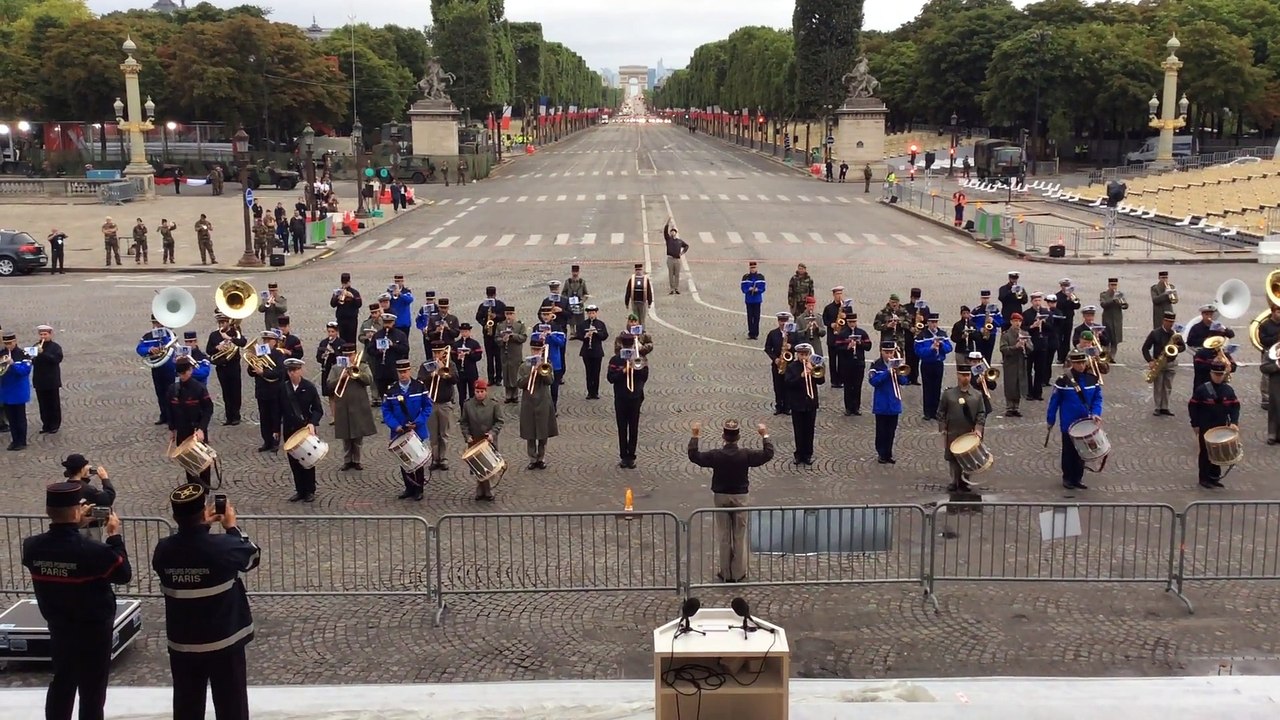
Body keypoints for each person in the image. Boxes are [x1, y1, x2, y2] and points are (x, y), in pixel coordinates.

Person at [22, 482, 131, 720]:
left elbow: (60, 552)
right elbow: (123, 574)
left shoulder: (31, 547)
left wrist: (73, 525)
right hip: (94, 628)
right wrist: (114, 536)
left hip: (59, 626)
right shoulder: (94, 551)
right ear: (75, 511)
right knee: (92, 690)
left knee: (62, 682)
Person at [152, 484, 260, 720]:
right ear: (204, 513)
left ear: (174, 517)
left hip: (184, 643)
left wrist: (200, 527)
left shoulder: (164, 550)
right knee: (232, 707)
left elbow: (187, 552)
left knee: (187, 707)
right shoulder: (222, 547)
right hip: (224, 640)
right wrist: (231, 527)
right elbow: (251, 556)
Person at [687, 420, 773, 583]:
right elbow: (767, 454)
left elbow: (695, 456)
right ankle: (738, 572)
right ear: (738, 437)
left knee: (724, 535)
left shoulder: (716, 455)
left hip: (721, 497)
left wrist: (695, 435)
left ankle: (725, 572)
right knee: (739, 536)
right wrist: (765, 435)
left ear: (723, 436)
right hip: (740, 497)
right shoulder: (746, 455)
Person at [1047, 349, 1103, 490]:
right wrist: (1051, 419)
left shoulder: (1092, 379)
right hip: (1069, 423)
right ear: (1072, 363)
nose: (1081, 365)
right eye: (1078, 363)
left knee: (1082, 452)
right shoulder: (1063, 380)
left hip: (1086, 422)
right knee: (1069, 451)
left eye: (1083, 362)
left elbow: (1097, 398)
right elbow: (1054, 401)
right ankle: (1067, 477)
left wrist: (1096, 413)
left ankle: (1078, 478)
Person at [382, 358, 432, 501]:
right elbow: (386, 411)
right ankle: (409, 487)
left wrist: (418, 422)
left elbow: (427, 407)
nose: (403, 375)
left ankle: (419, 488)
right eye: (400, 372)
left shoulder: (419, 387)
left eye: (405, 372)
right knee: (404, 461)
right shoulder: (391, 390)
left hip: (416, 430)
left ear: (409, 371)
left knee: (418, 460)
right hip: (399, 431)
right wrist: (396, 426)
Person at [1189, 360, 1241, 489]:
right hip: (1205, 425)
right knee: (1205, 452)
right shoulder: (1202, 390)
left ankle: (1214, 476)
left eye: (1220, 374)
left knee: (1217, 452)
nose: (1218, 377)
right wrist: (1195, 424)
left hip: (1221, 425)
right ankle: (1204, 478)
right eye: (1215, 374)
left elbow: (1235, 406)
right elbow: (1193, 406)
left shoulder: (1228, 390)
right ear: (1211, 373)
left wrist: (1234, 422)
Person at [279, 358, 324, 502]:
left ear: (300, 370)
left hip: (305, 429)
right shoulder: (283, 388)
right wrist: (275, 429)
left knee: (307, 459)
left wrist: (312, 423)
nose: (293, 373)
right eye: (290, 371)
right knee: (294, 461)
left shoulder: (309, 387)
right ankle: (300, 489)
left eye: (295, 370)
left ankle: (310, 490)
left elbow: (318, 409)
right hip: (290, 429)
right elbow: (277, 410)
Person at [327, 343, 376, 471]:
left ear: (355, 354)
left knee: (358, 434)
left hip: (359, 403)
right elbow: (329, 385)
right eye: (346, 355)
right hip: (343, 404)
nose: (349, 358)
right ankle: (347, 460)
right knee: (345, 435)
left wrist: (357, 373)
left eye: (351, 355)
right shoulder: (336, 368)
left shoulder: (362, 365)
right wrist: (340, 378)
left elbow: (369, 380)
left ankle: (357, 460)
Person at [938, 366, 987, 493]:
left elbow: (981, 413)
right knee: (953, 457)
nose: (966, 378)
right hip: (953, 430)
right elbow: (941, 412)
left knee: (968, 457)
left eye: (968, 375)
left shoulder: (977, 395)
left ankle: (965, 480)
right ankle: (954, 480)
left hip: (969, 431)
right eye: (963, 375)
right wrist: (943, 428)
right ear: (958, 376)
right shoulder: (948, 394)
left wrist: (978, 429)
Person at [167, 355, 215, 487]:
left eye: (184, 373)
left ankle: (205, 490)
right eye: (180, 373)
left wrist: (201, 428)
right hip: (182, 431)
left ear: (190, 370)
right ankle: (194, 490)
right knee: (188, 463)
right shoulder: (173, 389)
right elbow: (170, 410)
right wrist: (172, 429)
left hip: (196, 430)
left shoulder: (199, 388)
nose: (182, 376)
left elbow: (208, 409)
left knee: (203, 462)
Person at [606, 334, 649, 469]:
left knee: (634, 428)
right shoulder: (615, 359)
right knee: (622, 428)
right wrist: (624, 370)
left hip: (635, 397)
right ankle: (623, 455)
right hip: (620, 397)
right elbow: (610, 378)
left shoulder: (639, 359)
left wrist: (635, 368)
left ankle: (631, 456)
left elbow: (644, 377)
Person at [460, 379, 504, 501]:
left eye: (482, 391)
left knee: (488, 465)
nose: (479, 394)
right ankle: (480, 489)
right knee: (477, 467)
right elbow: (464, 422)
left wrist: (492, 434)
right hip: (474, 440)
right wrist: (467, 436)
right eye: (477, 391)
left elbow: (499, 421)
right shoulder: (468, 405)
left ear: (486, 391)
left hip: (488, 440)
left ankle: (488, 490)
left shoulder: (493, 405)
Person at [518, 335, 558, 469]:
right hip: (528, 401)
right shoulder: (524, 366)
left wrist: (542, 372)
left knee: (543, 432)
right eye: (534, 350)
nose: (536, 352)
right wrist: (531, 373)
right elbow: (520, 383)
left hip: (543, 401)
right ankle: (532, 458)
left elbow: (550, 382)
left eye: (538, 350)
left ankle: (541, 457)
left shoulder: (547, 364)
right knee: (530, 432)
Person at [868, 341, 909, 464]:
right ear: (881, 352)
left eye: (891, 352)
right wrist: (887, 372)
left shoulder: (898, 364)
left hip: (894, 403)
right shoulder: (876, 365)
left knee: (891, 431)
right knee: (881, 430)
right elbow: (874, 381)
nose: (889, 355)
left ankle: (888, 453)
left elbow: (904, 381)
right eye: (886, 352)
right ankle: (881, 453)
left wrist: (898, 373)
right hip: (881, 403)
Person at [783, 343, 824, 464]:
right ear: (797, 355)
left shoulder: (814, 365)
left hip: (810, 403)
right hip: (797, 403)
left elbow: (821, 380)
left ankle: (808, 454)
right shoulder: (792, 367)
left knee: (809, 430)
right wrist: (801, 376)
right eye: (801, 355)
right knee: (799, 430)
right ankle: (798, 454)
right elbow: (788, 383)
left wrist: (813, 371)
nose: (804, 357)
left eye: (806, 354)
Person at [420, 342, 457, 472]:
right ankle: (435, 459)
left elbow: (455, 380)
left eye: (439, 352)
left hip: (445, 404)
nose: (437, 355)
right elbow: (420, 380)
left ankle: (444, 458)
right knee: (433, 434)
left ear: (443, 352)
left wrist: (445, 373)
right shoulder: (427, 365)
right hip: (430, 403)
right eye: (434, 352)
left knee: (444, 433)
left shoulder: (450, 364)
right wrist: (430, 376)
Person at [246, 330, 284, 452]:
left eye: (269, 340)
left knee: (275, 417)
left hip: (274, 391)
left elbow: (279, 372)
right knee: (264, 417)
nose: (266, 343)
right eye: (265, 340)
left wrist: (264, 372)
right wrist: (253, 369)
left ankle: (275, 441)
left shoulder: (278, 355)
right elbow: (250, 372)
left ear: (275, 342)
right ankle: (266, 441)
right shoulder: (258, 354)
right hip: (262, 391)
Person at [1142, 311, 1185, 417]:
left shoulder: (1175, 335)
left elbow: (1183, 347)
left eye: (1172, 322)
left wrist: (1178, 348)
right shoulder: (1155, 333)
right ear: (1164, 321)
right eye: (1168, 321)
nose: (1170, 324)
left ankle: (1165, 407)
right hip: (1159, 361)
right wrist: (1150, 361)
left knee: (1168, 386)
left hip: (1171, 363)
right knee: (1158, 386)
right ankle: (1157, 407)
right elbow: (1145, 348)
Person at [206, 313, 246, 426]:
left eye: (223, 322)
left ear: (228, 322)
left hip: (233, 366)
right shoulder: (214, 335)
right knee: (226, 392)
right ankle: (229, 417)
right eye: (220, 323)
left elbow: (243, 343)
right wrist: (216, 348)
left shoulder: (234, 332)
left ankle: (236, 416)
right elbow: (209, 350)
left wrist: (229, 338)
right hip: (221, 366)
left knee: (235, 391)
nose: (221, 325)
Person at [915, 313, 953, 420]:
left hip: (938, 363)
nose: (934, 325)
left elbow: (949, 348)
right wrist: (931, 349)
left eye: (936, 322)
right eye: (932, 322)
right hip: (927, 364)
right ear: (928, 323)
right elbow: (918, 351)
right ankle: (927, 412)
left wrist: (941, 345)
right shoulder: (922, 335)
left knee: (937, 387)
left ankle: (936, 411)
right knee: (927, 388)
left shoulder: (942, 334)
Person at [30, 324, 63, 434]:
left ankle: (54, 425)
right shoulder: (35, 346)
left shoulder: (55, 347)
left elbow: (56, 359)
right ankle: (46, 424)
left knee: (53, 403)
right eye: (41, 334)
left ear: (50, 334)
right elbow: (33, 361)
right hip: (40, 380)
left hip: (51, 380)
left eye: (45, 334)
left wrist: (43, 353)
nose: (43, 337)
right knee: (43, 405)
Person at [999, 313, 1032, 417]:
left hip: (1021, 362)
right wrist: (1015, 347)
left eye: (1019, 321)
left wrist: (1025, 344)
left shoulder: (1025, 333)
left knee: (1019, 384)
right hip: (1010, 363)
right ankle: (1009, 407)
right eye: (1016, 321)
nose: (1018, 323)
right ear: (1011, 322)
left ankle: (1016, 407)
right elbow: (1003, 349)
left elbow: (1031, 348)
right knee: (1010, 385)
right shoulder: (1006, 335)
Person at [763, 312, 796, 416]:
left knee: (788, 385)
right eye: (781, 321)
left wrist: (791, 346)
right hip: (777, 364)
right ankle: (779, 406)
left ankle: (787, 406)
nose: (783, 323)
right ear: (778, 321)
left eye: (785, 321)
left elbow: (800, 345)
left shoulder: (793, 334)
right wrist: (775, 359)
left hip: (790, 365)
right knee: (778, 386)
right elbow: (767, 348)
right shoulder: (773, 333)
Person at [574, 305, 609, 399]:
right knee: (589, 372)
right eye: (589, 313)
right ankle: (590, 392)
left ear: (596, 313)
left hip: (597, 351)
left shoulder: (600, 324)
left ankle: (596, 392)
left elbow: (605, 336)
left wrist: (597, 333)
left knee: (596, 372)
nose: (591, 315)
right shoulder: (583, 324)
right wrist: (585, 336)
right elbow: (578, 335)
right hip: (586, 351)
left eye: (593, 313)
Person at [497, 305, 528, 403]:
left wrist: (513, 336)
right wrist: (502, 340)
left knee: (515, 373)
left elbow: (523, 337)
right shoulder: (500, 325)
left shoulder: (519, 325)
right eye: (507, 314)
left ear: (514, 315)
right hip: (505, 353)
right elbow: (496, 338)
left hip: (515, 354)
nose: (509, 316)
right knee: (506, 373)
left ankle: (515, 395)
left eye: (511, 314)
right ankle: (508, 394)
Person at [330, 273, 363, 344]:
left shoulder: (354, 292)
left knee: (352, 340)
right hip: (341, 319)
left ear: (349, 282)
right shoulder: (338, 292)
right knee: (342, 340)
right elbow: (332, 304)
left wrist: (352, 297)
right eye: (343, 283)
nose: (344, 284)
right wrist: (336, 298)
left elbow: (359, 304)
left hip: (351, 320)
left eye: (346, 282)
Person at [740, 261, 766, 340]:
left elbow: (763, 287)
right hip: (749, 300)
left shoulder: (760, 277)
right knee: (750, 316)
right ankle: (751, 333)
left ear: (756, 268)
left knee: (757, 317)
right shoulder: (746, 277)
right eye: (751, 268)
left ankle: (755, 333)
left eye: (754, 268)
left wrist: (758, 290)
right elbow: (743, 287)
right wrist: (748, 289)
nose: (753, 269)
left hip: (757, 300)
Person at [663, 218, 689, 295]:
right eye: (671, 231)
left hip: (677, 259)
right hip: (670, 259)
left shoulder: (679, 241)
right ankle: (672, 289)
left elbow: (686, 246)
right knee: (671, 274)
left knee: (677, 274)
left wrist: (682, 253)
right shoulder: (668, 239)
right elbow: (665, 231)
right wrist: (667, 223)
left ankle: (676, 288)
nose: (672, 232)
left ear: (676, 233)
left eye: (673, 231)